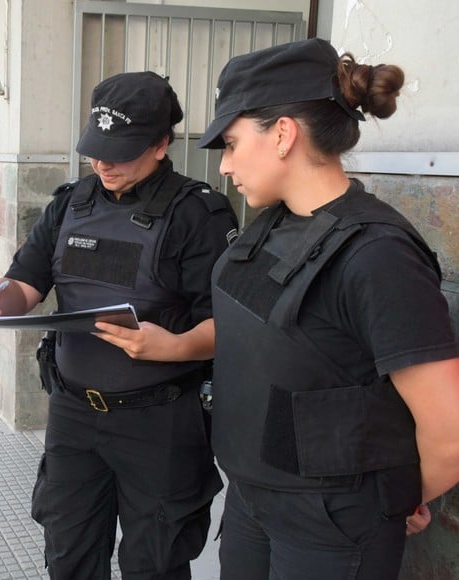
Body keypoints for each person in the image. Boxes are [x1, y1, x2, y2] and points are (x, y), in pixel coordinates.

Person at [188, 38, 459, 579]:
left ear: (283, 134)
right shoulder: (273, 224)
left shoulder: (378, 253)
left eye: (233, 143)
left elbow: (448, 428)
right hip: (252, 497)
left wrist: (396, 495)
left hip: (331, 524)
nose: (224, 167)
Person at [0, 72, 239, 579]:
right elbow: (27, 282)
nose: (103, 162)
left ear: (160, 145)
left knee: (154, 562)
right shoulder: (71, 202)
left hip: (161, 422)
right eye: (95, 149)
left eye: (120, 151)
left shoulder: (199, 214)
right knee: (68, 556)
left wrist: (170, 347)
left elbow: (230, 326)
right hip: (74, 416)